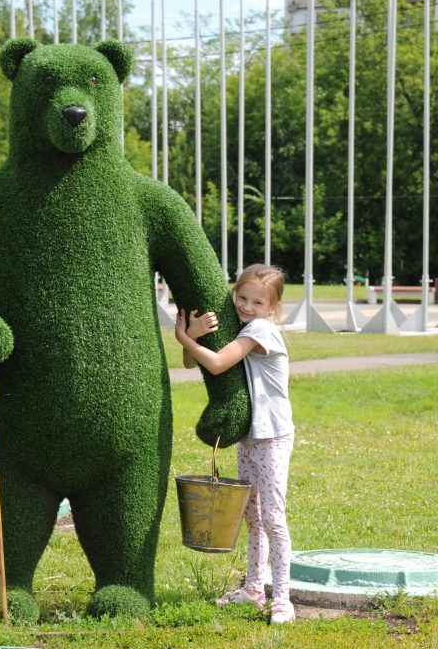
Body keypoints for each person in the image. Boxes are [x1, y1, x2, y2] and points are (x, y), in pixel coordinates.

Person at [174, 263, 295, 625]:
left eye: (257, 302)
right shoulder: (243, 325)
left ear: (271, 308)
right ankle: (254, 588)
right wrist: (194, 334)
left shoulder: (261, 330)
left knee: (273, 518)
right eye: (241, 297)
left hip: (272, 435)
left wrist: (182, 335)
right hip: (250, 436)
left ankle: (283, 598)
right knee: (252, 515)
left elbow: (216, 363)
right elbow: (189, 362)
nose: (246, 306)